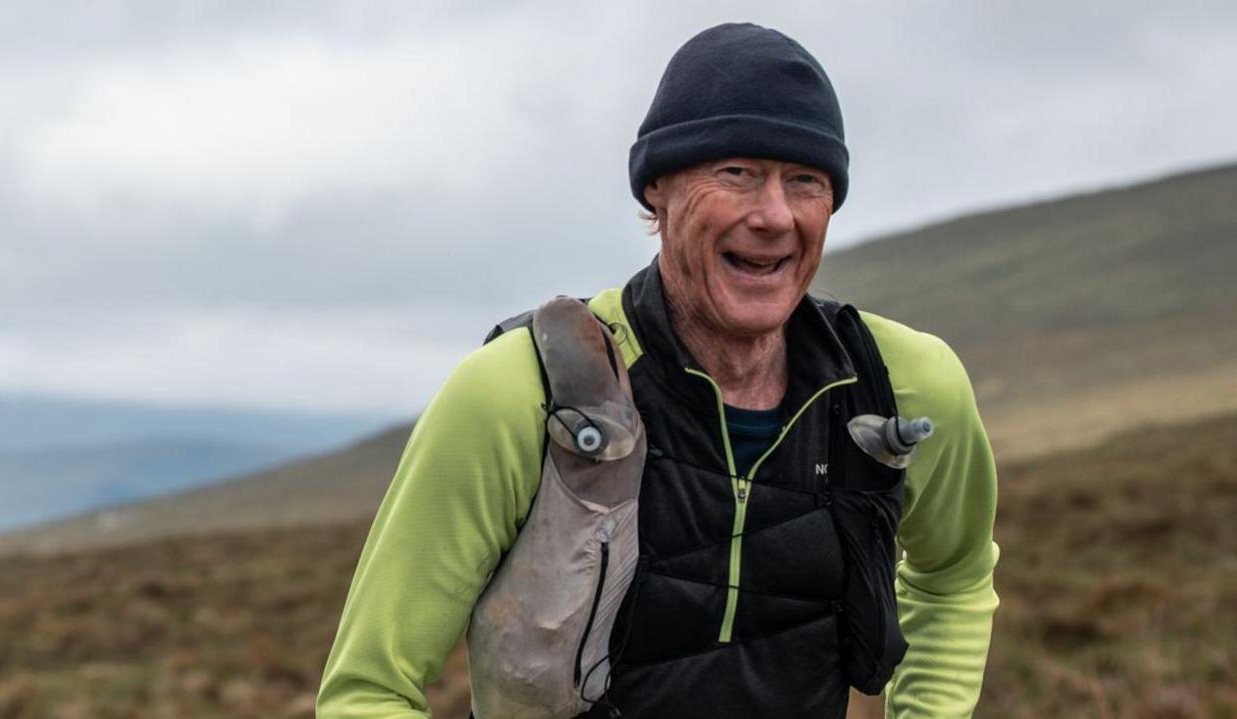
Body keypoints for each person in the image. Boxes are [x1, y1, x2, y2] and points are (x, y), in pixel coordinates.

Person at [318, 22, 998, 719]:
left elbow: (954, 576)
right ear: (658, 190)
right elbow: (369, 687)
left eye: (806, 181)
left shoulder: (902, 384)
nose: (774, 215)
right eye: (737, 173)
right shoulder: (521, 392)